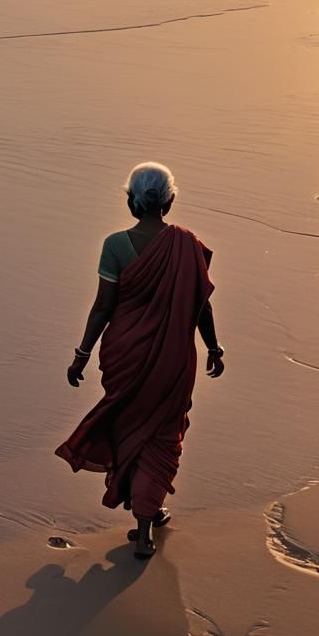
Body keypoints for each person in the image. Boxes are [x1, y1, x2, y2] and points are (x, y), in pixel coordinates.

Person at [55, 163, 224, 559]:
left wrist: (82, 354)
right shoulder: (188, 245)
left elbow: (102, 307)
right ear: (170, 200)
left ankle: (140, 508)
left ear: (131, 199)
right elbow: (202, 308)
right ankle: (146, 523)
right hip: (173, 358)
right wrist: (215, 348)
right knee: (163, 432)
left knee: (129, 425)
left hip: (125, 354)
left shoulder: (115, 246)